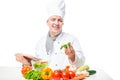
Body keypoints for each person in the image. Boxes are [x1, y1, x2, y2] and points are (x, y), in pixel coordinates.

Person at [15, 0, 85, 70]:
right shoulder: (40, 43)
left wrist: (72, 56)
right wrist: (27, 63)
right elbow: (39, 66)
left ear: (63, 23)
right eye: (53, 19)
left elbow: (82, 63)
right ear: (47, 22)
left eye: (60, 20)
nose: (56, 23)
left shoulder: (71, 39)